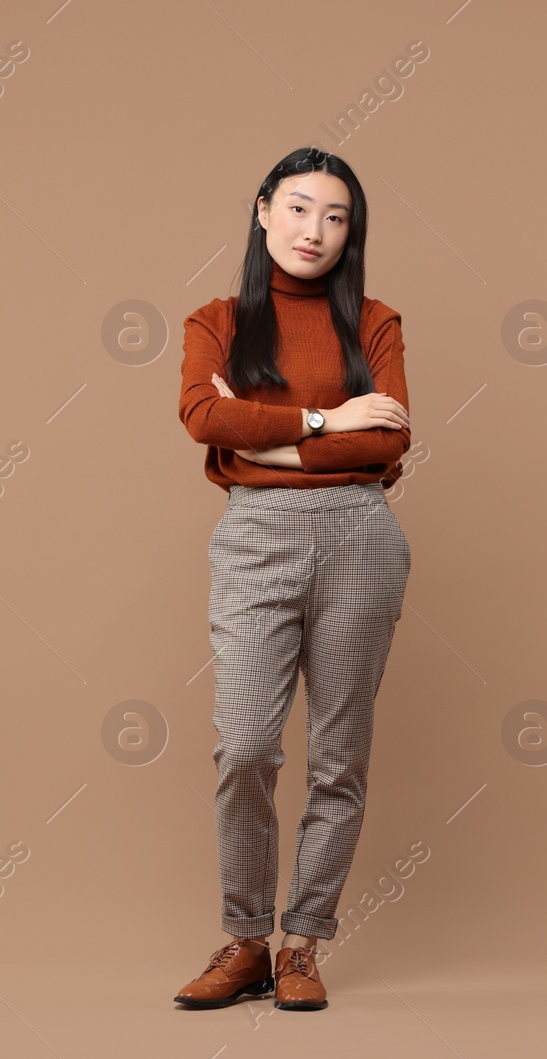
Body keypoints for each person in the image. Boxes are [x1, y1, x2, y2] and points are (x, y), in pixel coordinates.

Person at [173, 146, 412, 1012]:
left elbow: (385, 442)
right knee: (245, 746)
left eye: (337, 217)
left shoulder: (375, 323)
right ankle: (245, 940)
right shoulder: (217, 321)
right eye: (302, 208)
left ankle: (303, 941)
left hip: (361, 536)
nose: (317, 230)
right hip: (256, 539)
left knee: (338, 756)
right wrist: (323, 416)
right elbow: (203, 415)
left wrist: (262, 439)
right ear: (265, 208)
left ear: (352, 235)